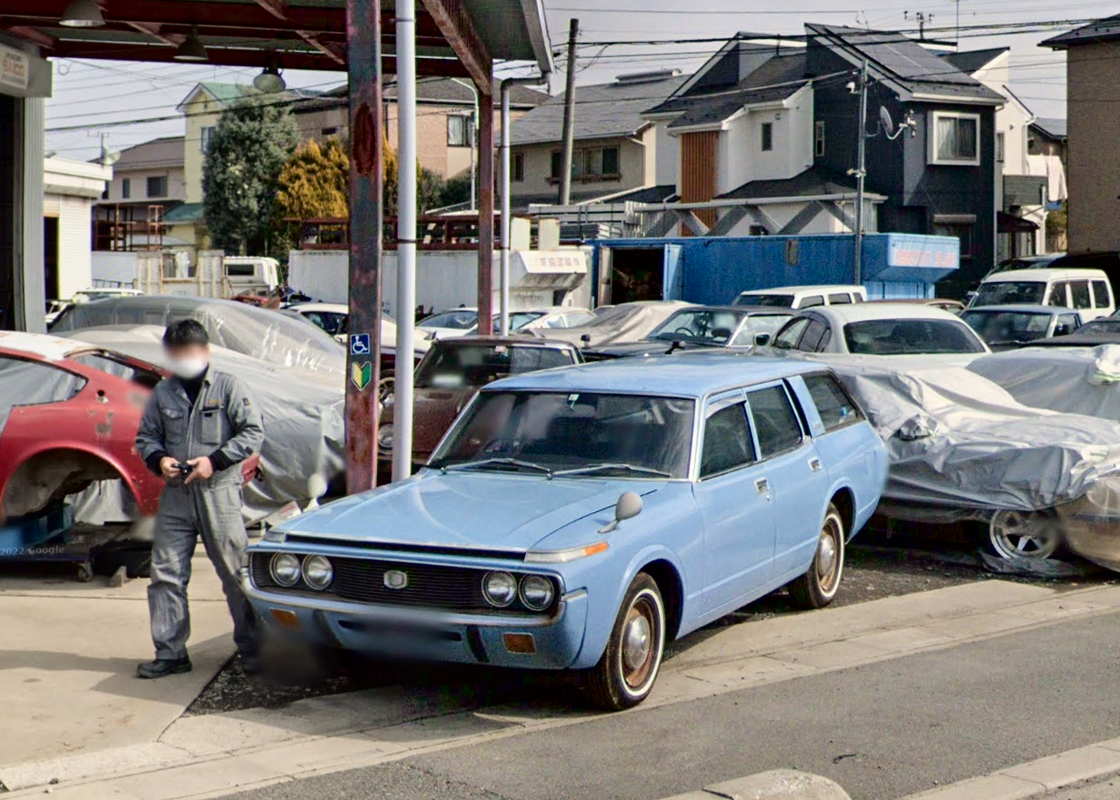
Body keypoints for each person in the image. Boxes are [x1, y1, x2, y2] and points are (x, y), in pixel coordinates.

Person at [135, 320, 264, 679]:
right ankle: (171, 652)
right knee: (166, 575)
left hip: (218, 494)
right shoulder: (163, 392)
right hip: (176, 496)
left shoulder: (228, 387)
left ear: (205, 352)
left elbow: (253, 432)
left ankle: (254, 649)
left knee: (235, 573)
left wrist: (214, 461)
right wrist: (160, 460)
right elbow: (146, 437)